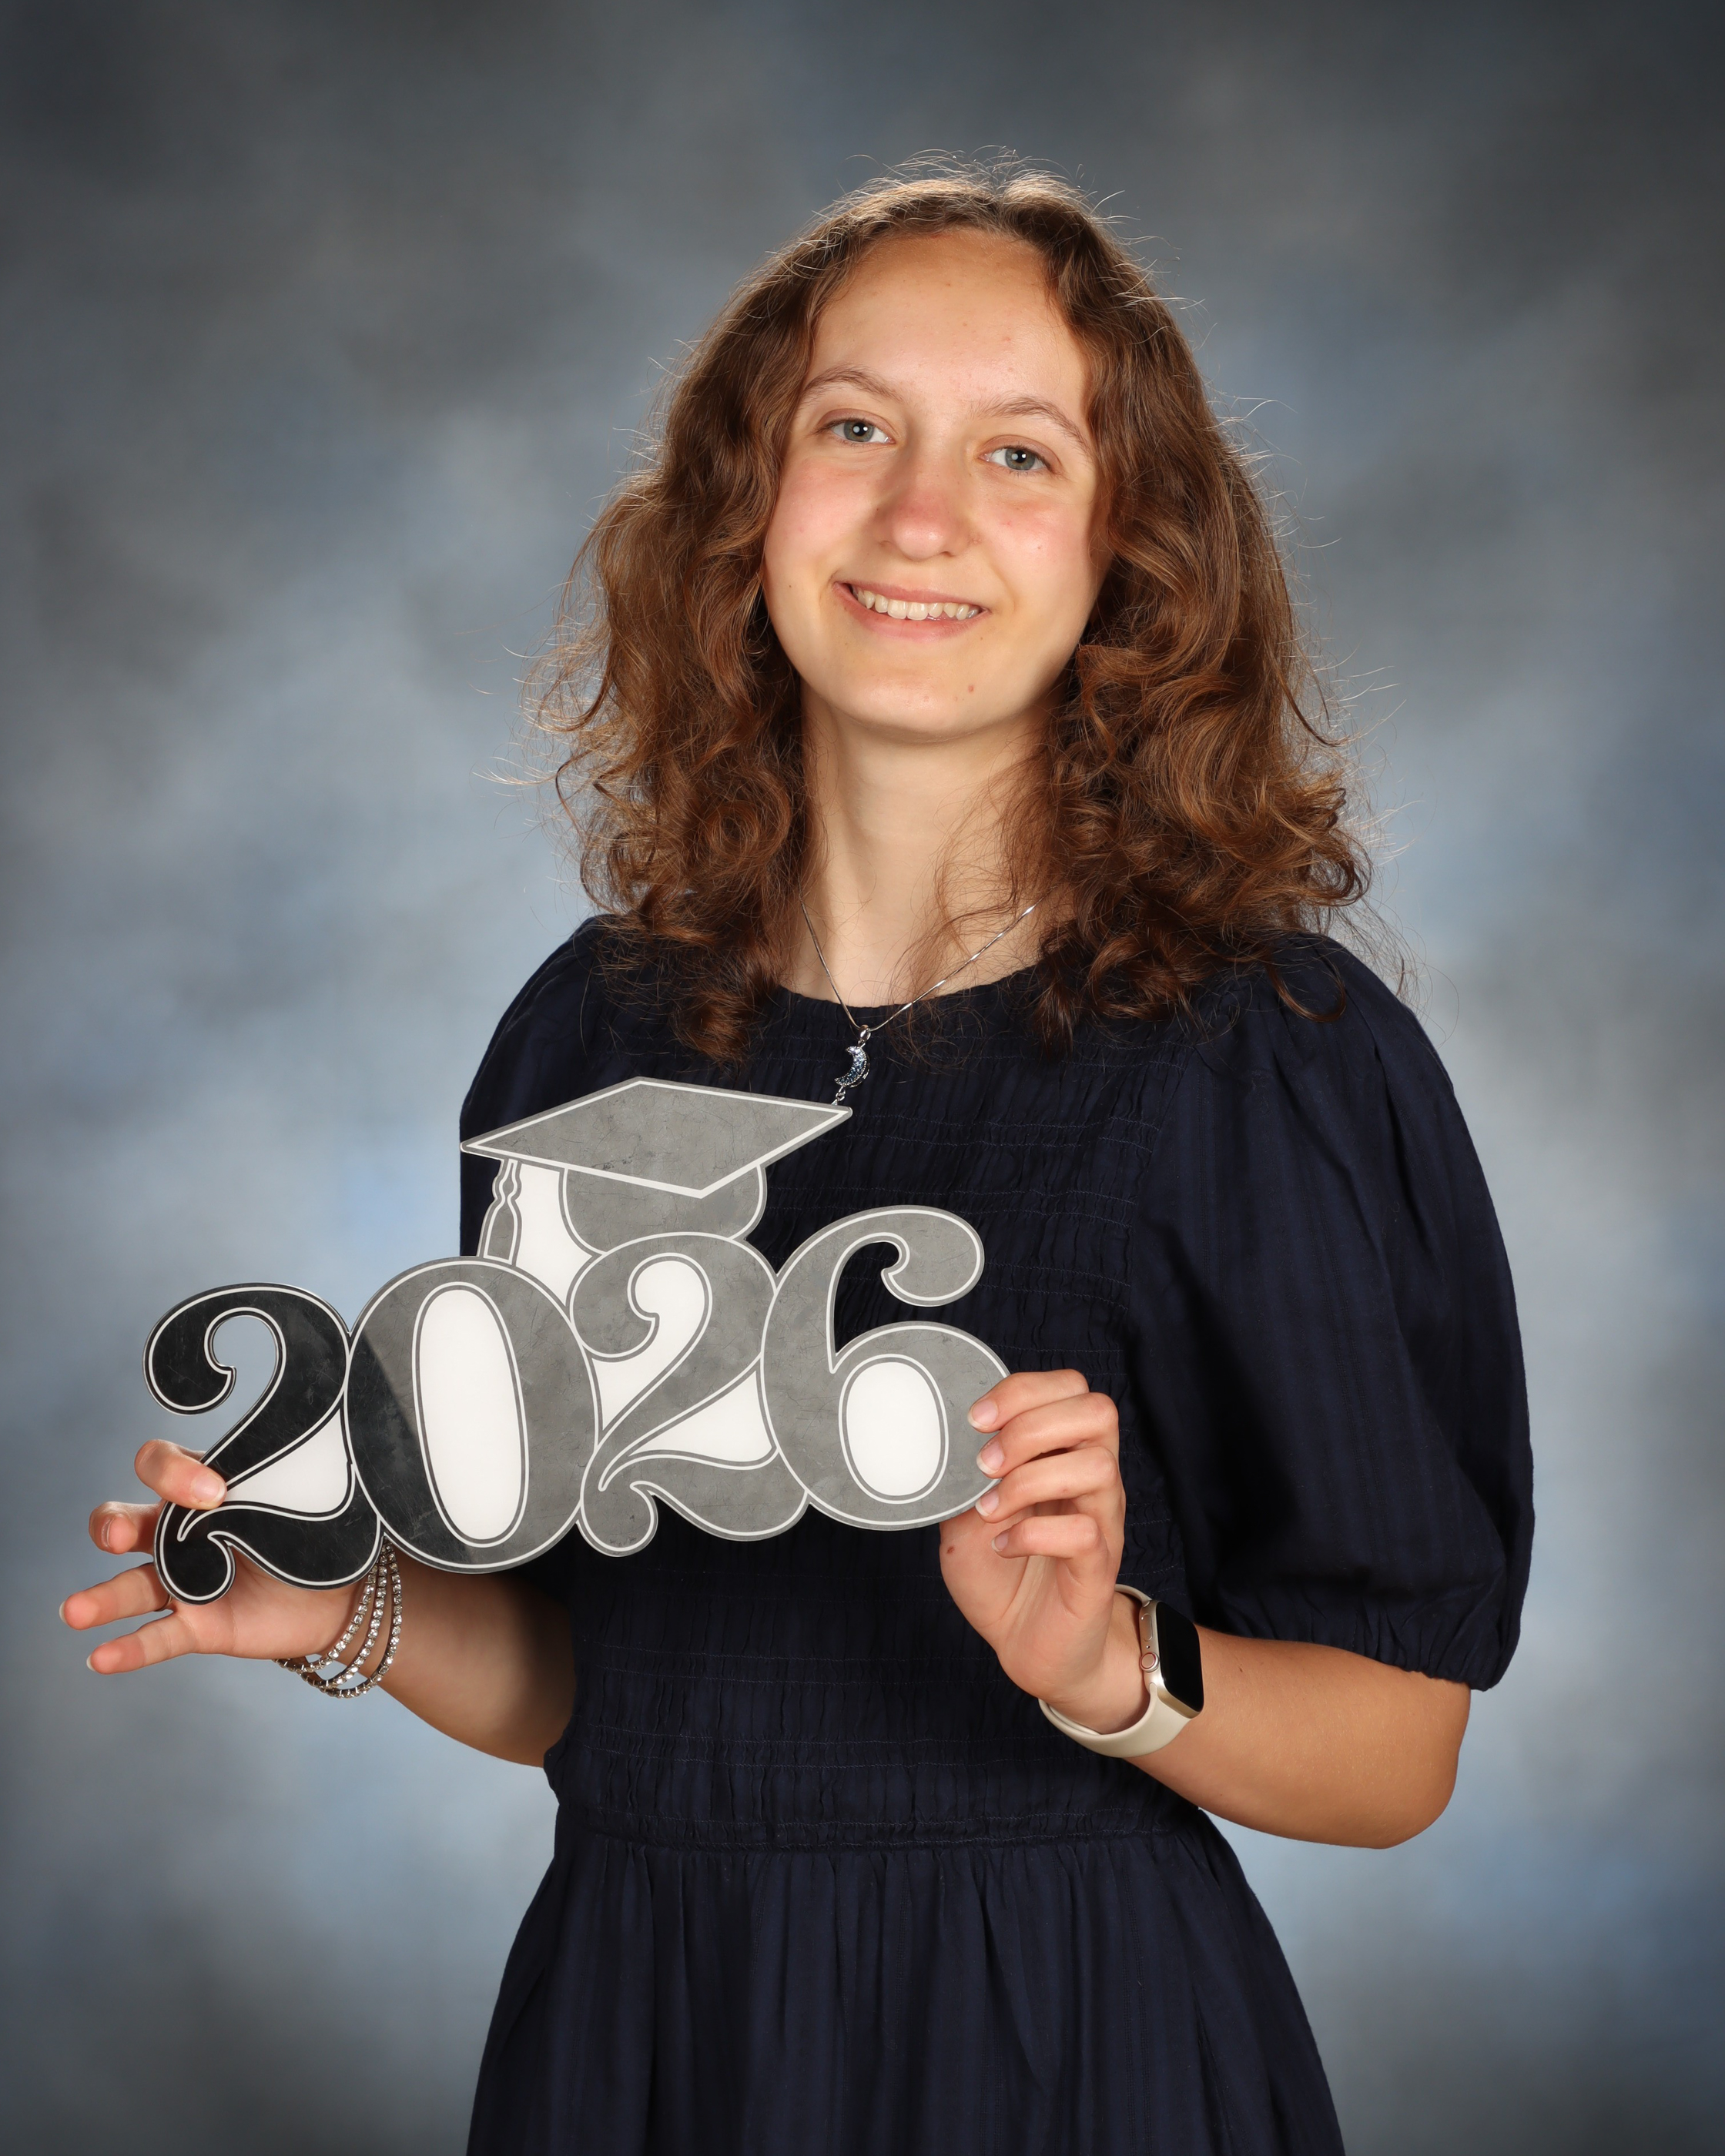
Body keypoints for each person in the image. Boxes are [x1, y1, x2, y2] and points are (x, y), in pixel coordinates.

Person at [62, 162, 1532, 2155]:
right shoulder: (589, 1031)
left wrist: (1107, 1665)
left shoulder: (1267, 1058)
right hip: (638, 2030)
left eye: (1019, 453)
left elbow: (1401, 1751)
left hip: (1057, 2039)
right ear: (745, 500)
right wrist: (353, 1608)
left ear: (1130, 551)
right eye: (854, 429)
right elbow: (608, 1693)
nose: (920, 517)